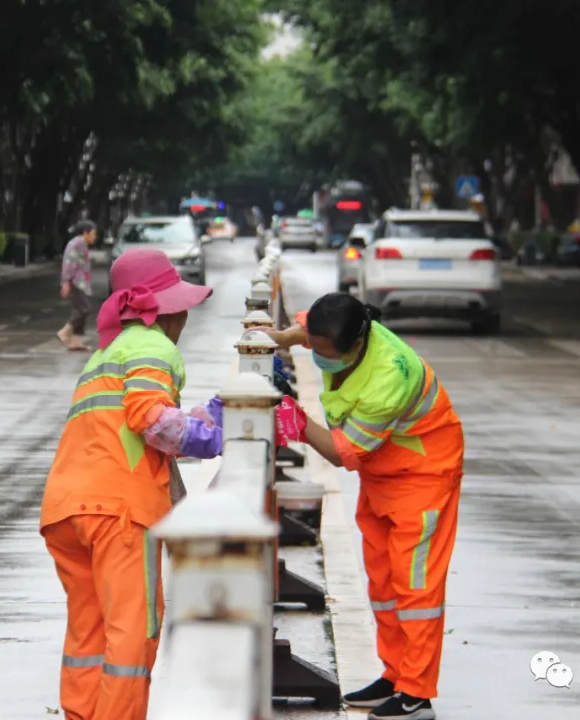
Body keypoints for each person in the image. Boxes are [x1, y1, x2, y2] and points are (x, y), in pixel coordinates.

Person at [40, 248, 222, 720]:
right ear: (164, 310)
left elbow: (127, 421)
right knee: (132, 633)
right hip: (119, 512)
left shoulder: (108, 351)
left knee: (88, 632)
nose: (184, 315)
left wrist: (204, 415)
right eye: (180, 305)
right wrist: (216, 436)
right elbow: (151, 421)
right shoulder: (153, 345)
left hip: (66, 509)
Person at [263, 293, 463, 720]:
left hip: (424, 476)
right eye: (312, 346)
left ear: (354, 346)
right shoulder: (342, 325)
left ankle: (416, 695)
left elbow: (342, 452)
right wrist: (282, 337)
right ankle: (394, 676)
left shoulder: (389, 377)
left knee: (416, 588)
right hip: (384, 475)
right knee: (384, 582)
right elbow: (307, 326)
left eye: (323, 351)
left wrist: (293, 417)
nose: (316, 356)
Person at [58, 220, 97, 351]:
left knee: (79, 310)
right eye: (93, 233)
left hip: (81, 283)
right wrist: (66, 282)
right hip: (76, 282)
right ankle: (65, 331)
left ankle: (76, 341)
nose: (94, 236)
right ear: (85, 233)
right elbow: (68, 263)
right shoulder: (78, 243)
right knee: (85, 309)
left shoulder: (80, 243)